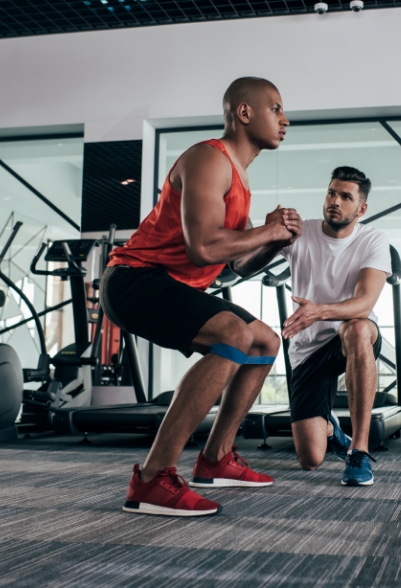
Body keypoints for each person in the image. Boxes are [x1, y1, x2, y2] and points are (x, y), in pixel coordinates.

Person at [100, 77, 303, 517]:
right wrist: (265, 230)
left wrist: (272, 243)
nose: (285, 121)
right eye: (277, 109)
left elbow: (233, 266)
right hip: (133, 279)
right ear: (244, 112)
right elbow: (204, 248)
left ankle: (217, 459)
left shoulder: (239, 178)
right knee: (232, 333)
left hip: (166, 285)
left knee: (264, 340)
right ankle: (152, 479)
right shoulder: (209, 158)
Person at [280, 167, 391, 486]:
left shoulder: (373, 239)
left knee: (356, 327)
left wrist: (318, 311)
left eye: (346, 196)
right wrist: (271, 229)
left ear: (361, 208)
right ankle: (332, 430)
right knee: (311, 459)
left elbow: (365, 303)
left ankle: (359, 450)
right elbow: (253, 254)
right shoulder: (302, 232)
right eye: (331, 193)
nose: (335, 201)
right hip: (307, 350)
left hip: (353, 336)